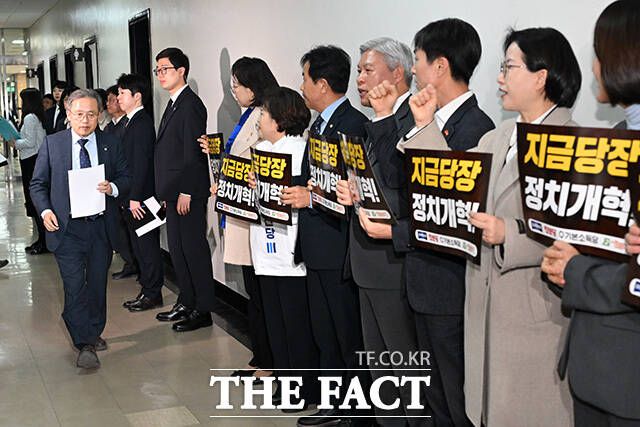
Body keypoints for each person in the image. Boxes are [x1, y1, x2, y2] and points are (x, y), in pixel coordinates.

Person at [443, 28, 579, 426]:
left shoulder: (572, 142)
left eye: (509, 68)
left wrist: (510, 236)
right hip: (484, 307)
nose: (499, 78)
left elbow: (578, 233)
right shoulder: (497, 137)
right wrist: (422, 125)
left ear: (541, 77)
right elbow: (447, 181)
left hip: (533, 312)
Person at [541, 1, 640, 425]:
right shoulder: (612, 142)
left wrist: (576, 270)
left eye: (599, 53)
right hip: (593, 368)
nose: (594, 68)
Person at [394, 19, 495, 427]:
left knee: (456, 399)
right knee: (435, 396)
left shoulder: (477, 128)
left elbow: (451, 210)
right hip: (423, 280)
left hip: (450, 287)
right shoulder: (426, 118)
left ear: (440, 65)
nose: (413, 69)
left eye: (418, 59)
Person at [335, 37, 425, 425]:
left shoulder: (413, 121)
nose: (359, 79)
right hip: (367, 261)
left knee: (405, 372)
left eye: (368, 70)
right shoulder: (373, 121)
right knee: (381, 372)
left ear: (398, 73)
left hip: (394, 264)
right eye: (358, 71)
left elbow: (403, 187)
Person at [292, 44, 368, 427]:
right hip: (316, 243)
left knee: (345, 331)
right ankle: (332, 402)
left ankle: (353, 410)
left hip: (338, 246)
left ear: (322, 84)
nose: (301, 86)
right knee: (324, 330)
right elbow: (311, 177)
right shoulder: (319, 125)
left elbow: (355, 190)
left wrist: (311, 196)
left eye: (304, 78)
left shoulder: (353, 126)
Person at [30, 88, 131, 369]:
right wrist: (46, 211)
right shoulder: (53, 144)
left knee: (97, 285)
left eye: (91, 115)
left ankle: (93, 330)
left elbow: (126, 176)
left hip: (100, 228)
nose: (85, 121)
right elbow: (37, 184)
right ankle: (84, 343)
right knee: (74, 286)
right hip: (67, 229)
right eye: (79, 114)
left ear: (99, 115)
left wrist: (113, 188)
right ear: (68, 114)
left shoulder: (111, 143)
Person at [199, 56, 278, 380]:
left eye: (237, 85)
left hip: (257, 217)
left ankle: (269, 360)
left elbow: (261, 165)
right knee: (254, 292)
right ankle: (261, 356)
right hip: (242, 211)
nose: (233, 91)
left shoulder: (265, 117)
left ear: (253, 87)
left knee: (262, 293)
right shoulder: (248, 115)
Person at [248, 85, 318, 408]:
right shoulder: (262, 150)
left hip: (290, 254)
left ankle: (303, 389)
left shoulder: (301, 151)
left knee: (295, 325)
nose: (260, 119)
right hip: (265, 250)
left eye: (264, 113)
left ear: (279, 120)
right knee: (275, 322)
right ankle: (285, 380)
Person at [154, 47, 216, 331]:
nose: (160, 75)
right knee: (178, 251)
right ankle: (187, 301)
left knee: (194, 251)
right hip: (173, 192)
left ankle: (203, 309)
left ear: (181, 71)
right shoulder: (173, 103)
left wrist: (188, 191)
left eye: (165, 69)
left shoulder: (191, 104)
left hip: (188, 192)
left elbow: (193, 153)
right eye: (158, 70)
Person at [116, 73, 165, 312]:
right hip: (130, 196)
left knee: (147, 247)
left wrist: (135, 197)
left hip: (141, 198)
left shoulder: (142, 123)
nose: (118, 98)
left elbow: (142, 163)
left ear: (137, 96)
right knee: (138, 246)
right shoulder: (128, 122)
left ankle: (153, 293)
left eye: (122, 93)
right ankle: (147, 290)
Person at [104, 83, 139, 281]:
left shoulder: (130, 124)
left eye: (116, 97)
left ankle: (135, 265)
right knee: (119, 230)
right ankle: (129, 262)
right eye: (110, 98)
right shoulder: (110, 127)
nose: (113, 101)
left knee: (130, 230)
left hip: (126, 185)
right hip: (112, 185)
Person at [10, 88, 48, 255]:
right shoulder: (36, 116)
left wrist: (15, 143)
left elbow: (30, 142)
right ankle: (42, 240)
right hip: (33, 159)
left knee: (34, 200)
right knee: (35, 200)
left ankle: (44, 242)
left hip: (31, 160)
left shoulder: (30, 117)